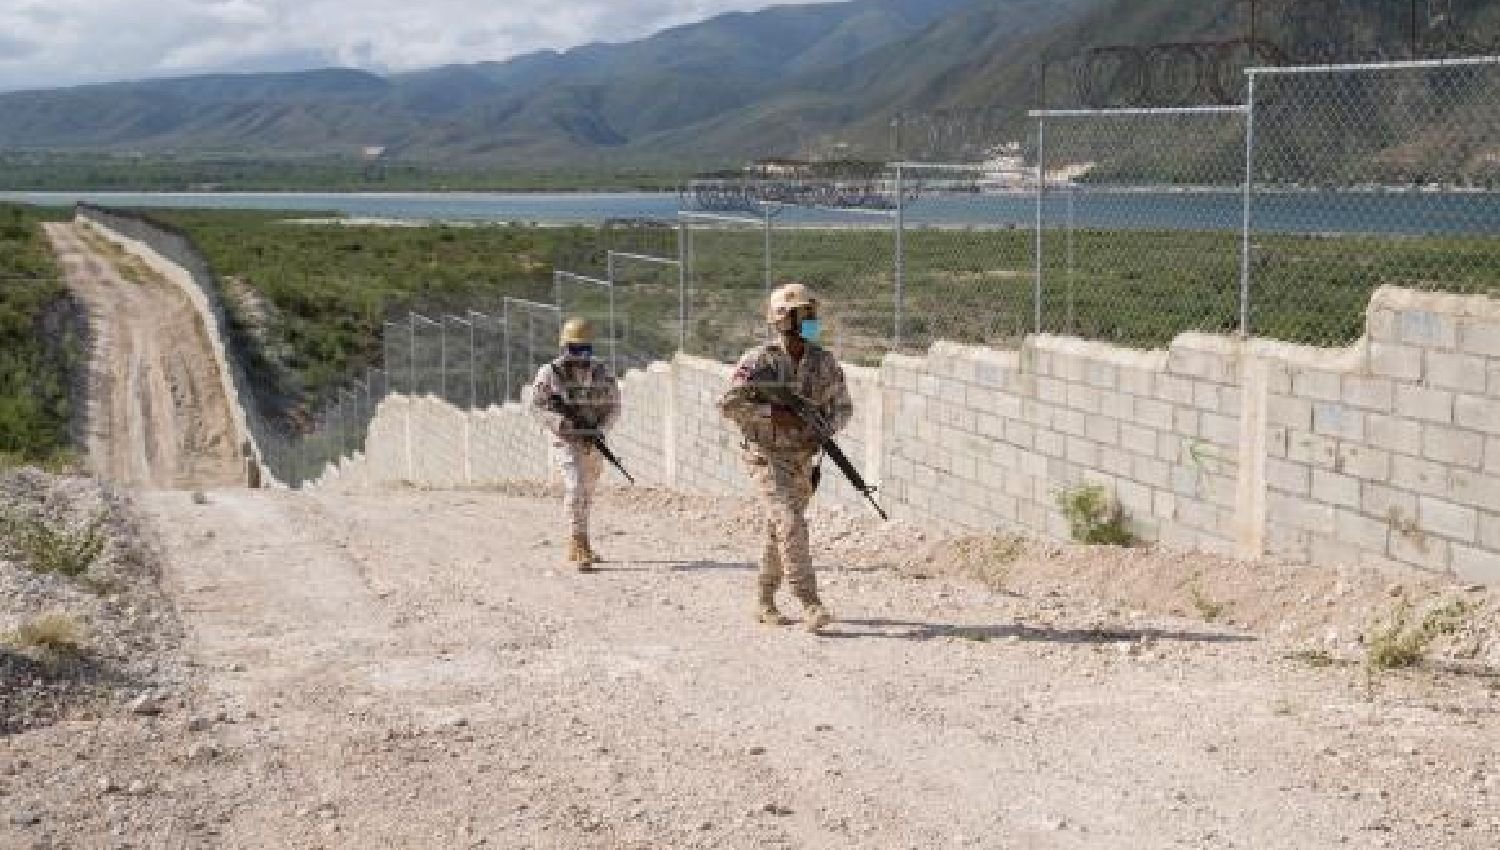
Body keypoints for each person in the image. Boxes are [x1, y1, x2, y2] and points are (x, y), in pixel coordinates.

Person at [719, 283, 853, 633]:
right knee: (791, 523)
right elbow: (729, 404)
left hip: (802, 458)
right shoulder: (759, 361)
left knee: (780, 528)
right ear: (782, 321)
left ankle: (764, 598)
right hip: (765, 455)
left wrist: (823, 428)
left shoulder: (824, 362)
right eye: (800, 315)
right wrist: (772, 414)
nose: (808, 321)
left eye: (810, 314)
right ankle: (809, 601)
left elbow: (843, 407)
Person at [529, 317, 621, 572]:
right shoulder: (550, 373)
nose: (580, 355)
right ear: (564, 347)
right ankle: (578, 540)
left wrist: (600, 431)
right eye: (574, 349)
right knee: (576, 485)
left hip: (593, 438)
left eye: (585, 349)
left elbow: (615, 406)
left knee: (588, 489)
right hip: (565, 440)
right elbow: (536, 406)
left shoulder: (602, 372)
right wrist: (561, 424)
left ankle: (584, 535)